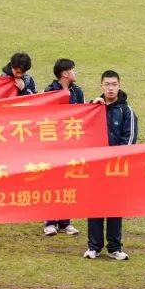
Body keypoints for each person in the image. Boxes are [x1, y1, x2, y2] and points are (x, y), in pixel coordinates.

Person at [84, 70, 137, 261]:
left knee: (114, 207)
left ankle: (114, 247)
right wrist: (91, 106)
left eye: (114, 84)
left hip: (116, 168)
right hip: (95, 167)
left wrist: (114, 160)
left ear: (119, 85)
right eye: (107, 84)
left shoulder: (127, 111)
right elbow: (80, 130)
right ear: (101, 86)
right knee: (95, 206)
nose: (111, 88)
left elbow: (129, 141)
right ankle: (94, 247)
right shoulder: (93, 108)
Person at [41, 58, 84, 237]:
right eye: (73, 70)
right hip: (52, 144)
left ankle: (65, 221)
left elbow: (83, 114)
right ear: (65, 73)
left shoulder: (78, 92)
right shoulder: (50, 91)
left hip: (71, 144)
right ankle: (50, 221)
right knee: (52, 182)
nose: (75, 73)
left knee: (67, 182)